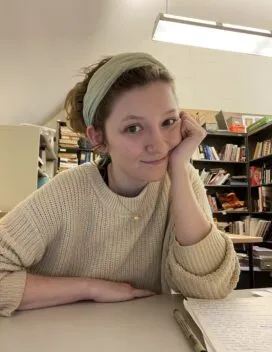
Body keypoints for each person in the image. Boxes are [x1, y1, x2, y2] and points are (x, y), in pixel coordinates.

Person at [0, 52, 240, 317]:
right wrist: (90, 288)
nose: (158, 145)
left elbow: (210, 288)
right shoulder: (67, 191)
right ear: (98, 137)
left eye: (168, 122)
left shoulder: (181, 178)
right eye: (133, 128)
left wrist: (180, 171)